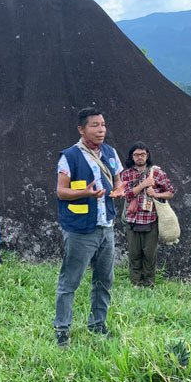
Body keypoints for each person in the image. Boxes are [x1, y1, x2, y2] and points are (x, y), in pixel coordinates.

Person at [54, 107, 125, 348]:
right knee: (70, 280)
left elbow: (118, 178)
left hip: (106, 226)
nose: (101, 129)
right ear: (81, 129)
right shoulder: (70, 156)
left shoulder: (110, 152)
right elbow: (61, 191)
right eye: (95, 125)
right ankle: (62, 329)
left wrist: (119, 189)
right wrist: (84, 193)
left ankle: (98, 324)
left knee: (105, 279)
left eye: (103, 124)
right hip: (80, 229)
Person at [121, 142, 175, 288]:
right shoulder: (126, 174)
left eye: (143, 154)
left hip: (151, 219)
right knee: (134, 254)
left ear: (147, 155)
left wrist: (156, 193)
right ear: (132, 157)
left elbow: (170, 192)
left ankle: (149, 284)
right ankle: (135, 283)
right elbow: (126, 195)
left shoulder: (157, 173)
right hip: (132, 219)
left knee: (150, 254)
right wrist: (144, 184)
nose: (140, 157)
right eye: (136, 155)